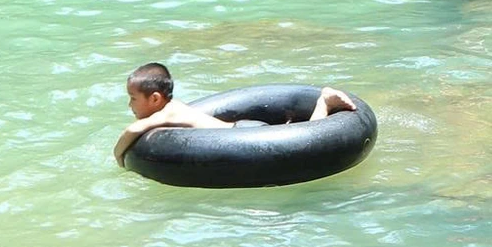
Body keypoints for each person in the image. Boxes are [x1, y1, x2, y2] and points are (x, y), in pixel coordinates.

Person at [114, 62, 358, 165]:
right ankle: (323, 103)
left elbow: (132, 130)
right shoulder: (175, 106)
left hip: (246, 137)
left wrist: (119, 158)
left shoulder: (165, 114)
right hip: (242, 128)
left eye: (133, 99)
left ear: (155, 98)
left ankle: (324, 103)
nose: (130, 105)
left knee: (305, 144)